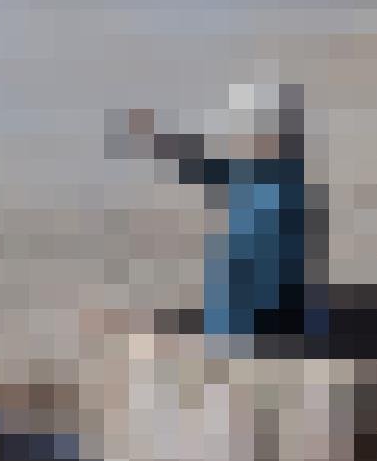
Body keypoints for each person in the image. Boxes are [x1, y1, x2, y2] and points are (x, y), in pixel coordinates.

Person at [115, 81, 325, 348]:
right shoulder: (266, 177)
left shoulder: (273, 179)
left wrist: (154, 138)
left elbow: (197, 164)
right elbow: (197, 164)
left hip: (257, 316)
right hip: (246, 315)